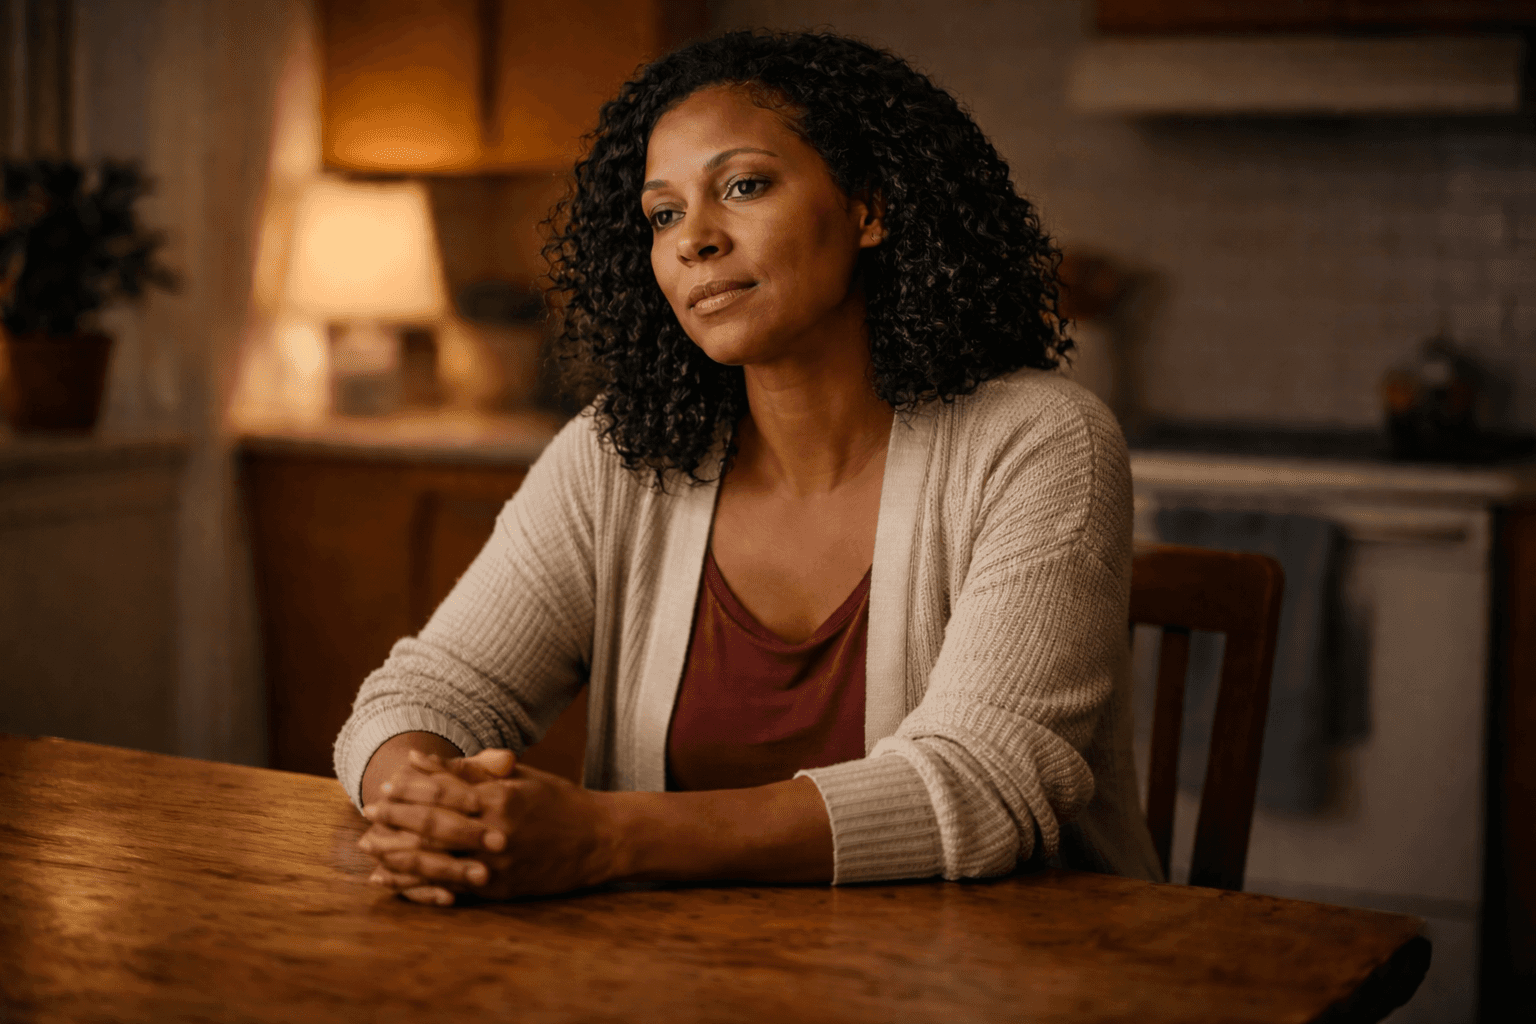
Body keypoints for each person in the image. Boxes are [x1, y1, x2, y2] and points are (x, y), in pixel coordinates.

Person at [337, 29, 1162, 905]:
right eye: (663, 214)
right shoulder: (621, 453)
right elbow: (427, 691)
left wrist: (604, 838)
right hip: (679, 979)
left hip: (1000, 978)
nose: (695, 239)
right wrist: (425, 803)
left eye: (744, 186)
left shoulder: (1037, 441)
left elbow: (986, 783)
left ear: (869, 209)